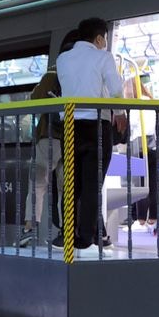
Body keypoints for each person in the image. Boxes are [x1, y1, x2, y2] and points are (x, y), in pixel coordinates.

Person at [56, 16, 124, 252]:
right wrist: (122, 113)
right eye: (104, 39)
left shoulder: (62, 59)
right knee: (92, 183)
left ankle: (68, 233)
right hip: (96, 126)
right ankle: (86, 237)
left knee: (72, 184)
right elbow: (116, 90)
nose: (105, 44)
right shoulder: (103, 57)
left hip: (70, 127)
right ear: (98, 38)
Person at [21, 29, 79, 247]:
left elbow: (34, 99)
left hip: (49, 137)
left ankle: (29, 229)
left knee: (37, 184)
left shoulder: (53, 73)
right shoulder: (82, 76)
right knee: (68, 187)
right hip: (73, 137)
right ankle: (67, 232)